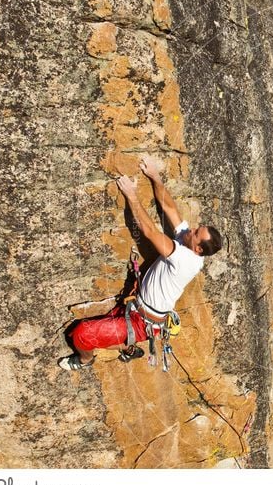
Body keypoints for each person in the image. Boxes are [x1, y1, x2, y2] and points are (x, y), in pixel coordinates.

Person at [58, 156, 223, 371]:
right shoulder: (189, 244)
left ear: (198, 248)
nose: (191, 229)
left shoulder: (185, 259)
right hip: (138, 307)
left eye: (195, 233)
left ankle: (85, 360)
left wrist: (131, 195)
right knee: (103, 327)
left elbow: (149, 231)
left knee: (81, 334)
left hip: (142, 322)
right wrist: (154, 176)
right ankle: (128, 348)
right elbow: (170, 209)